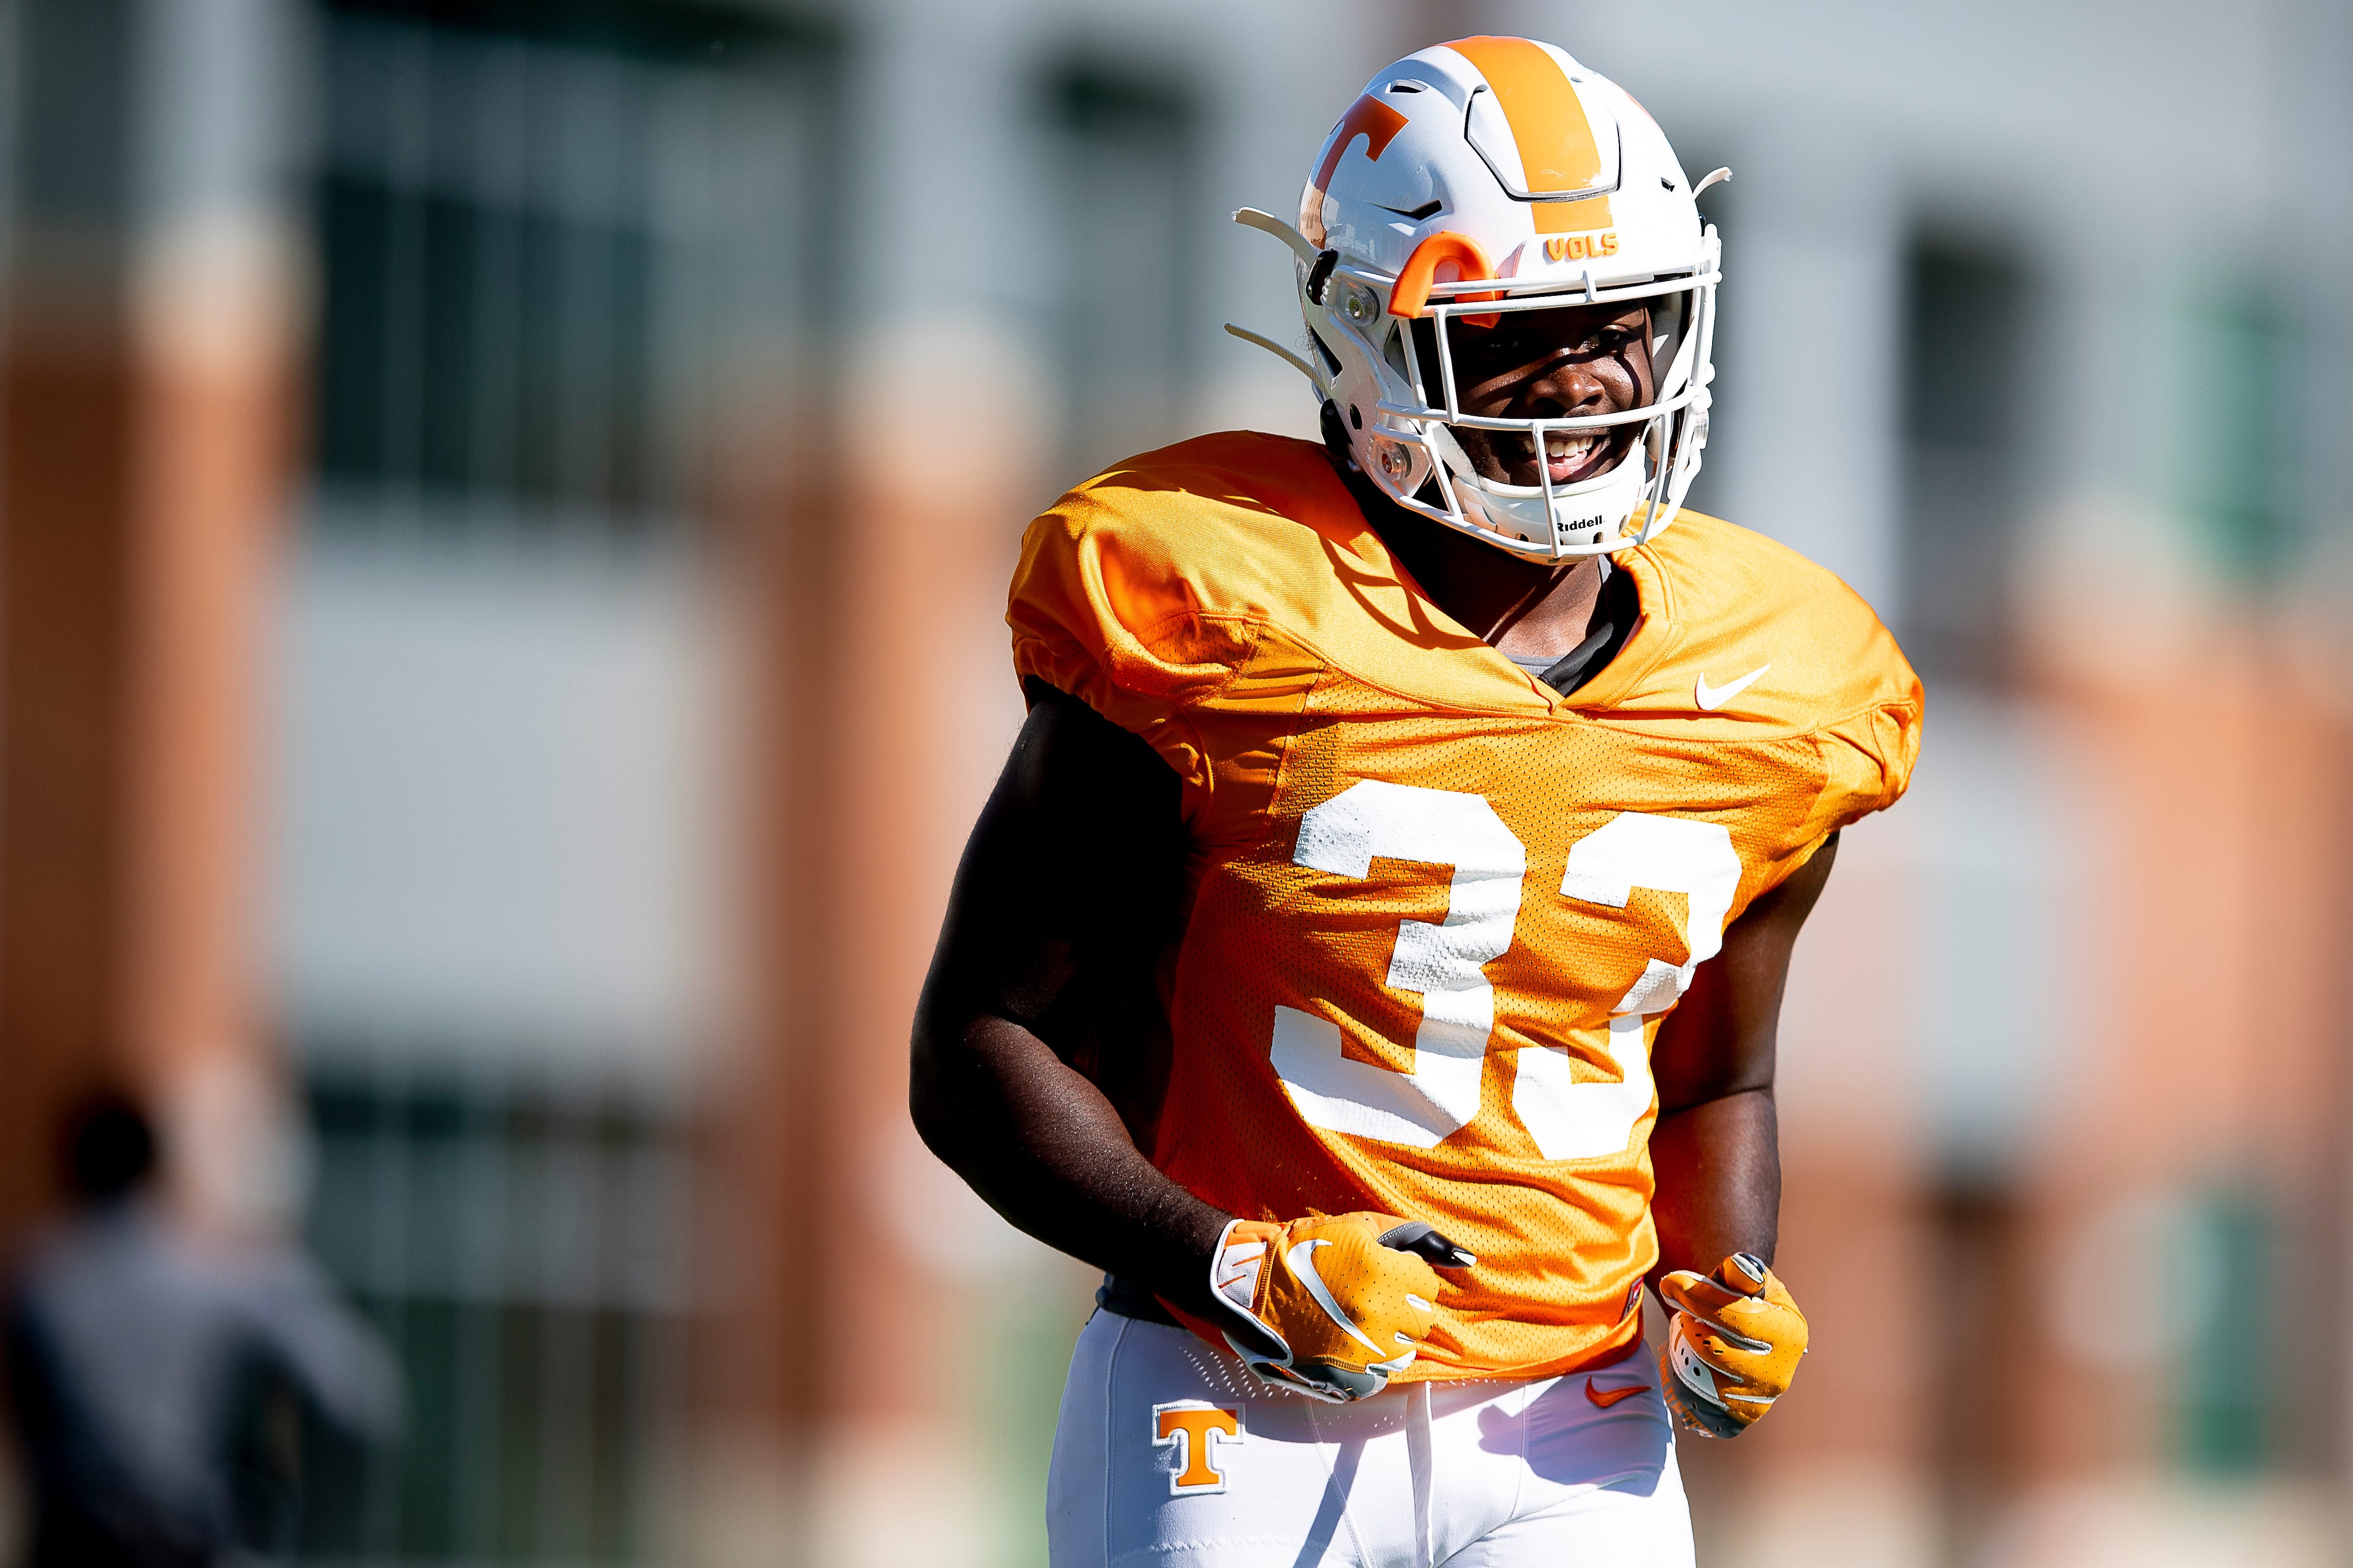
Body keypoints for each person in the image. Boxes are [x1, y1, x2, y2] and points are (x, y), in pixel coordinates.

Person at [912, 34, 1920, 1565]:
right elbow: (978, 1049)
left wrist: (1723, 1277)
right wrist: (1232, 1265)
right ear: (1366, 331)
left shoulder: (1783, 677)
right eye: (1514, 324)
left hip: (1572, 1420)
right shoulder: (1216, 606)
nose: (1583, 372)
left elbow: (1718, 1079)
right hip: (1229, 1391)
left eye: (1621, 321)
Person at [4, 1091, 401, 1567]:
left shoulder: (36, 1280)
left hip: (72, 1543)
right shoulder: (219, 1275)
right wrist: (295, 1516)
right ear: (154, 1166)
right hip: (184, 1538)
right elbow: (359, 1395)